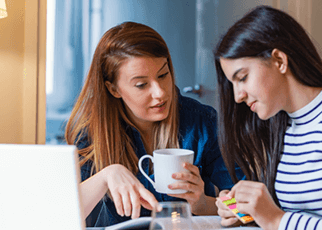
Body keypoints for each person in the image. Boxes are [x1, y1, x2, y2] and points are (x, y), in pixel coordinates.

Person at [214, 5, 322, 230]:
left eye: (242, 77)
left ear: (279, 61)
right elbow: (295, 216)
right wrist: (246, 209)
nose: (237, 96)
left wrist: (275, 219)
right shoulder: (284, 124)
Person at [65, 21, 243, 227]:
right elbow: (58, 216)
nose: (160, 93)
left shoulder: (203, 121)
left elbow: (242, 209)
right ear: (113, 89)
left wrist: (201, 203)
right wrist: (106, 176)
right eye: (141, 85)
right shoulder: (92, 132)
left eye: (163, 75)